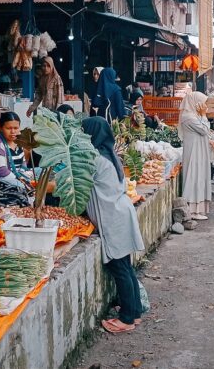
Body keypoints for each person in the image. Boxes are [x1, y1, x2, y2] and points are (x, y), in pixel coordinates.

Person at [82, 117, 145, 333]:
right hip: (121, 212)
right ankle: (134, 312)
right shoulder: (110, 156)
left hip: (114, 218)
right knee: (126, 267)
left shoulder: (94, 160)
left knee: (119, 269)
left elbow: (77, 183)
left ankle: (126, 319)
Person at [178, 92, 213, 220]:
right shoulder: (188, 117)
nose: (204, 105)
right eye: (202, 102)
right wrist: (204, 115)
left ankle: (199, 209)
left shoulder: (193, 115)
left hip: (198, 149)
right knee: (194, 175)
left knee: (199, 176)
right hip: (194, 152)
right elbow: (204, 130)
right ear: (195, 102)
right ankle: (192, 210)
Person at [0, 112, 30, 189]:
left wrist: (25, 176)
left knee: (41, 173)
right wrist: (22, 181)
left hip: (16, 176)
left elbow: (23, 164)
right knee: (24, 187)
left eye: (16, 128)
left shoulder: (19, 139)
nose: (13, 132)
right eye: (9, 128)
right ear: (0, 128)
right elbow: (1, 171)